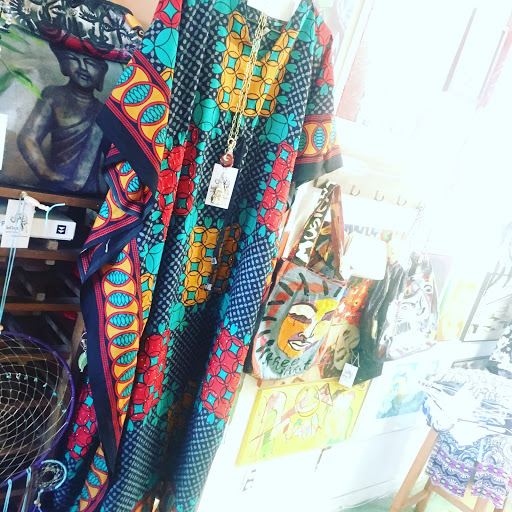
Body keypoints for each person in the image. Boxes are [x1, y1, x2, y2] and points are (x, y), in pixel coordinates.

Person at [17, 43, 108, 193]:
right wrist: (44, 171)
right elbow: (28, 137)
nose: (83, 68)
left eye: (91, 64)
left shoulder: (103, 111)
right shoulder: (53, 96)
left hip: (89, 190)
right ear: (63, 63)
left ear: (103, 72)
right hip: (55, 185)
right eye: (74, 59)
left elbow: (116, 155)